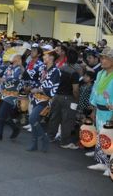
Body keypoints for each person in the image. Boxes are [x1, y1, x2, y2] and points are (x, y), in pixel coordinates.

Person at [86, 47, 113, 176]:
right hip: (100, 110)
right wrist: (93, 108)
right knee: (101, 137)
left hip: (110, 111)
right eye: (101, 57)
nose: (102, 60)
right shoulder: (100, 73)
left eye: (105, 58)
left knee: (110, 139)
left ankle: (111, 167)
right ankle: (102, 162)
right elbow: (95, 90)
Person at [46, 48, 80, 148]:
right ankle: (65, 142)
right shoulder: (74, 73)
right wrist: (76, 99)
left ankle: (50, 136)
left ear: (66, 58)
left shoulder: (59, 68)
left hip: (56, 96)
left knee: (54, 118)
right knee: (67, 120)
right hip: (68, 98)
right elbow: (75, 90)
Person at [28, 50, 61, 152]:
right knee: (34, 120)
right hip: (37, 97)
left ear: (51, 57)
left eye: (45, 56)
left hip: (46, 99)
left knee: (32, 119)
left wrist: (39, 89)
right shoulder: (43, 68)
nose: (43, 57)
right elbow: (38, 81)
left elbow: (54, 89)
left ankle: (44, 138)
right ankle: (34, 144)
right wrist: (33, 87)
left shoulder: (56, 71)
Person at [0, 52, 23, 140]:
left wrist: (1, 79)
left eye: (13, 56)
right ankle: (14, 128)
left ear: (18, 57)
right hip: (4, 93)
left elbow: (15, 79)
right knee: (3, 115)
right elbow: (2, 74)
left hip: (12, 95)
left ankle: (0, 135)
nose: (11, 57)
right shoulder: (9, 67)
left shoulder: (19, 69)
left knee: (2, 114)